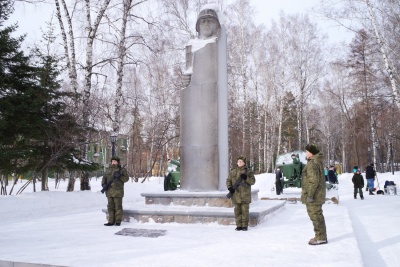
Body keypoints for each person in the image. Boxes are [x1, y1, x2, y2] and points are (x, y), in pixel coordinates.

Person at [301, 144, 328, 245]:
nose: (306, 153)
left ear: (311, 153)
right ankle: (321, 236)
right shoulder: (317, 161)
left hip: (314, 196)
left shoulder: (312, 163)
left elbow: (314, 181)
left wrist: (310, 196)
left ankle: (320, 237)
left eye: (307, 151)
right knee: (317, 215)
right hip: (318, 194)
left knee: (315, 216)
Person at [226, 156, 256, 231]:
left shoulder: (248, 171)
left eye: (241, 161)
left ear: (244, 163)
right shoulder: (233, 171)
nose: (239, 163)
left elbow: (252, 182)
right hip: (236, 195)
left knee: (245, 211)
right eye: (238, 161)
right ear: (236, 162)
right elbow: (228, 180)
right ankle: (238, 225)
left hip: (245, 195)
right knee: (237, 211)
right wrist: (230, 188)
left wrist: (246, 178)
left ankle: (244, 226)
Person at [102, 156, 129, 226]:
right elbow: (104, 179)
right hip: (109, 192)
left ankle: (118, 221)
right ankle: (111, 221)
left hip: (118, 192)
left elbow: (126, 179)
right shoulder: (108, 170)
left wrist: (119, 176)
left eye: (115, 161)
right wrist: (104, 185)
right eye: (112, 161)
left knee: (118, 207)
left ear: (118, 162)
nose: (113, 162)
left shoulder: (122, 170)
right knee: (110, 207)